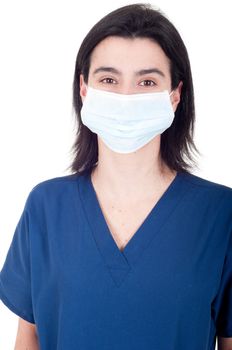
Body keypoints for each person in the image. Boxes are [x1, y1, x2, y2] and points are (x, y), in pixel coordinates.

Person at [0, 3, 231, 350]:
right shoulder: (46, 207)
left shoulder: (220, 214)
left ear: (175, 95)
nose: (126, 98)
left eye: (147, 81)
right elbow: (28, 337)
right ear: (84, 89)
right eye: (109, 79)